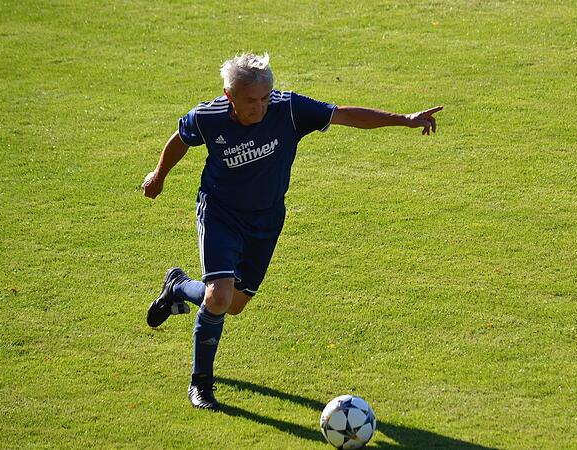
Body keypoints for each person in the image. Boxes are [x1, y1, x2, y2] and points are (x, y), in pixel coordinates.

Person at [141, 52, 442, 411]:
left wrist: (403, 120)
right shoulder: (208, 117)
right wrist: (158, 176)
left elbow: (343, 114)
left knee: (233, 305)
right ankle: (201, 384)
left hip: (266, 221)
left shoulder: (289, 109)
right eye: (251, 100)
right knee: (219, 297)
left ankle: (177, 286)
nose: (261, 106)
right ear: (229, 95)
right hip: (220, 213)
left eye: (266, 97)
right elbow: (180, 138)